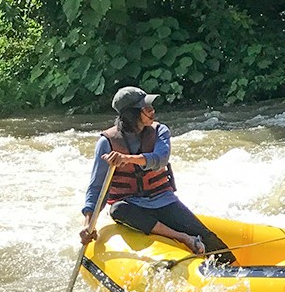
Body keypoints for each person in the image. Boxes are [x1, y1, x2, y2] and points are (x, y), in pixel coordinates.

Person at [79, 86, 234, 264]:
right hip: (132, 206)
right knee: (117, 210)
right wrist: (87, 224)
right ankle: (182, 237)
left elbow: (159, 159)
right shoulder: (106, 142)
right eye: (146, 108)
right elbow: (96, 188)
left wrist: (127, 159)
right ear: (132, 114)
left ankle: (233, 267)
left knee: (206, 236)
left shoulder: (160, 131)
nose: (152, 111)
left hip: (163, 200)